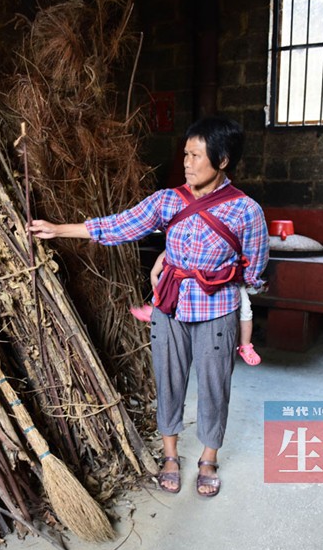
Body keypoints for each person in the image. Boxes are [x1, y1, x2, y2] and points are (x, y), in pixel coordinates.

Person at [28, 116, 269, 497]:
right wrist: (59, 229)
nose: (187, 163)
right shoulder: (168, 200)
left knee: (214, 385)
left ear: (222, 160)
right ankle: (170, 455)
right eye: (185, 154)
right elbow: (120, 225)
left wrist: (220, 283)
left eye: (196, 155)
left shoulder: (246, 211)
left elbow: (253, 268)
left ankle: (209, 457)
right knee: (169, 380)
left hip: (217, 309)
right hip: (169, 306)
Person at [130, 250, 262, 366]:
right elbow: (168, 251)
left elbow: (253, 254)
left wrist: (250, 279)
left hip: (227, 278)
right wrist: (154, 272)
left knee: (245, 309)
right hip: (186, 275)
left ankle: (245, 345)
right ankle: (156, 310)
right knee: (168, 288)